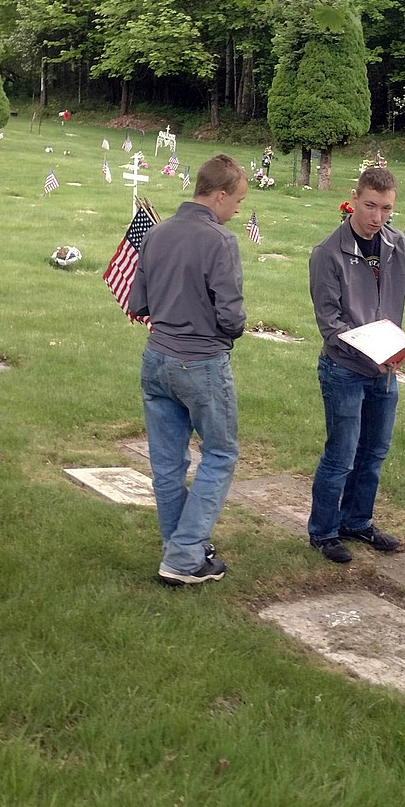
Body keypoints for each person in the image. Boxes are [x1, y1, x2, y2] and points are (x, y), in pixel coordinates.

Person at [307, 166, 405, 562]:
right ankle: (324, 532)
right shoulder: (327, 254)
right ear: (355, 199)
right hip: (345, 369)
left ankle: (357, 522)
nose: (376, 217)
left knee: (374, 452)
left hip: (386, 370)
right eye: (370, 206)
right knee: (341, 454)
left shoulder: (398, 246)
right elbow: (332, 325)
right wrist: (372, 354)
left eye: (386, 209)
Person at [128, 154, 249, 585]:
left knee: (166, 463)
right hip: (201, 362)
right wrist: (225, 332)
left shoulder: (156, 234)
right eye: (236, 201)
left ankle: (180, 548)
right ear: (218, 195)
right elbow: (231, 315)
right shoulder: (220, 242)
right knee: (219, 453)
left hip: (156, 358)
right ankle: (184, 556)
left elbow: (138, 303)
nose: (237, 210)